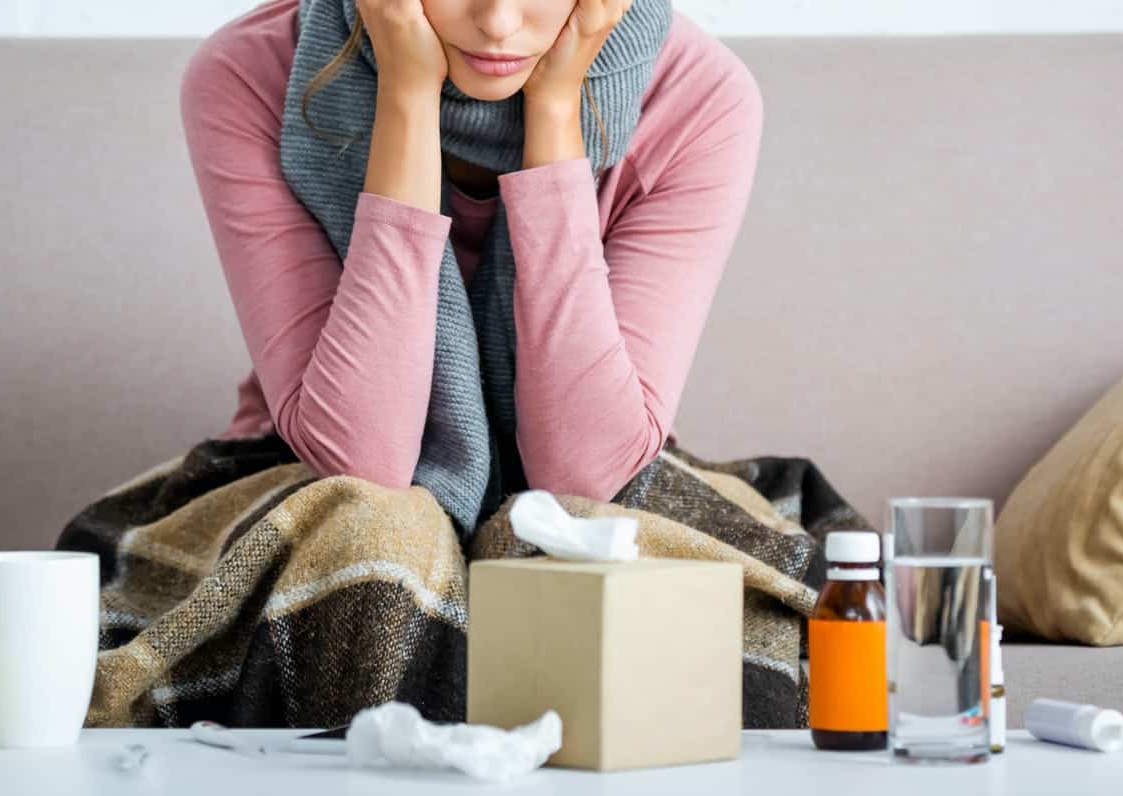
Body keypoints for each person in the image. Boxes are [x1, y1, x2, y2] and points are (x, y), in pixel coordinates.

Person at [60, 0, 859, 731]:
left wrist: (556, 111)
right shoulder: (249, 74)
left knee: (575, 543)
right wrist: (404, 92)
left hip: (606, 465)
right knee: (380, 540)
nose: (500, 23)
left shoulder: (697, 96)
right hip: (311, 476)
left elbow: (585, 469)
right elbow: (362, 457)